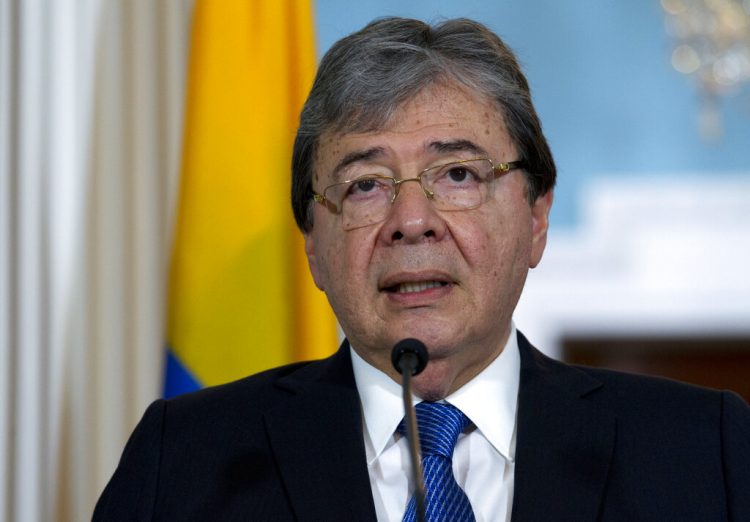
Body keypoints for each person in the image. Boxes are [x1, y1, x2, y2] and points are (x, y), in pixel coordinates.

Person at [93, 17, 750, 521]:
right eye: (364, 186)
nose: (412, 218)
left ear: (536, 218)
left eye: (458, 174)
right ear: (314, 247)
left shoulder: (703, 453)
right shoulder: (185, 461)